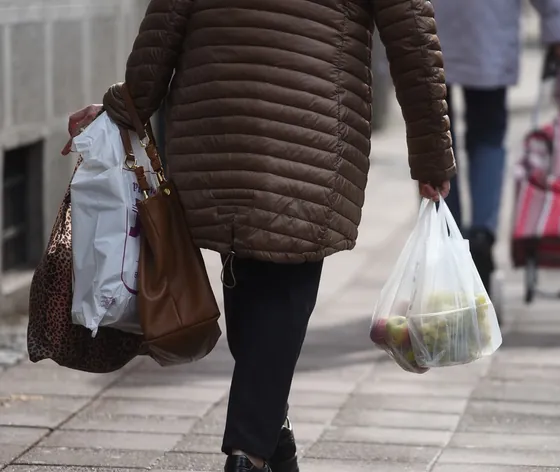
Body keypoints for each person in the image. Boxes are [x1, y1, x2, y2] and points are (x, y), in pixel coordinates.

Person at [69, 1, 454, 471]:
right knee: (284, 283)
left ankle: (275, 437)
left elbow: (166, 18)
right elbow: (413, 35)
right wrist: (433, 154)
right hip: (309, 126)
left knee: (248, 267)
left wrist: (128, 103)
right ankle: (247, 453)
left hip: (212, 120)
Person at [431, 0, 560, 296]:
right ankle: (481, 236)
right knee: (487, 136)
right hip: (487, 26)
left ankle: (448, 244)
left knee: (433, 141)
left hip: (426, 26)